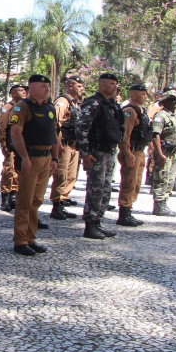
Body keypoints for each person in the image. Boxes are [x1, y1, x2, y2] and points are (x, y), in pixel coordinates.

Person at [8, 74, 59, 256]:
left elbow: (54, 135)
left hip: (46, 159)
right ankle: (20, 240)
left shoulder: (49, 108)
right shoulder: (23, 107)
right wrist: (24, 157)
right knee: (25, 201)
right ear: (32, 88)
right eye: (43, 86)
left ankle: (31, 238)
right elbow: (15, 133)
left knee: (36, 201)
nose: (47, 89)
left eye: (48, 87)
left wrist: (55, 158)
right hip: (30, 158)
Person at [76, 73, 124, 240]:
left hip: (109, 151)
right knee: (95, 188)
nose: (114, 87)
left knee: (106, 187)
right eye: (111, 84)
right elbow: (81, 129)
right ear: (102, 85)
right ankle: (90, 224)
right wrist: (86, 153)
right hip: (96, 152)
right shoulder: (93, 103)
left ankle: (98, 221)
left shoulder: (112, 105)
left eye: (115, 84)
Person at [116, 84, 152, 227]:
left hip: (140, 151)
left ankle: (129, 208)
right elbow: (125, 135)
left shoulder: (141, 110)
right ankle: (124, 212)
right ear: (133, 95)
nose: (145, 96)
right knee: (129, 182)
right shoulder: (130, 111)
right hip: (132, 151)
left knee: (136, 183)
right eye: (142, 94)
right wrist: (127, 153)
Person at [49, 76, 84, 219]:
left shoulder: (76, 103)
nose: (82, 89)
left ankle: (63, 200)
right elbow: (55, 125)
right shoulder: (62, 102)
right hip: (64, 144)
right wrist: (58, 146)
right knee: (61, 175)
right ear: (70, 86)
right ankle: (56, 205)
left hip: (74, 145)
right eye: (79, 86)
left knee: (71, 176)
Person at [150, 91, 176, 217]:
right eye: (171, 100)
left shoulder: (175, 116)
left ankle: (164, 201)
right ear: (164, 102)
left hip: (174, 152)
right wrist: (159, 154)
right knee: (161, 177)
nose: (174, 102)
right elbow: (156, 135)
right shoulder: (161, 116)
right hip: (164, 152)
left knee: (170, 179)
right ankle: (159, 204)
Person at [0, 84, 26, 212]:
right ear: (13, 93)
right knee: (9, 171)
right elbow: (1, 127)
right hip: (10, 146)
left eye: (24, 90)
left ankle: (13, 197)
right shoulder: (7, 108)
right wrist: (3, 145)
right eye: (20, 90)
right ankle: (5, 198)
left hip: (20, 146)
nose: (24, 92)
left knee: (17, 173)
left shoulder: (24, 107)